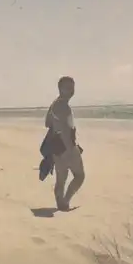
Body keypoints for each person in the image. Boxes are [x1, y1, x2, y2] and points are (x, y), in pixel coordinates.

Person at [44, 76, 85, 211]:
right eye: (68, 88)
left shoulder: (54, 104)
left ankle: (60, 204)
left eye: (72, 87)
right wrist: (70, 150)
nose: (72, 90)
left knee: (61, 179)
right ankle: (65, 202)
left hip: (57, 147)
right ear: (60, 89)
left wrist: (57, 127)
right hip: (67, 146)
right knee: (79, 176)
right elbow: (66, 131)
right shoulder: (63, 106)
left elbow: (47, 123)